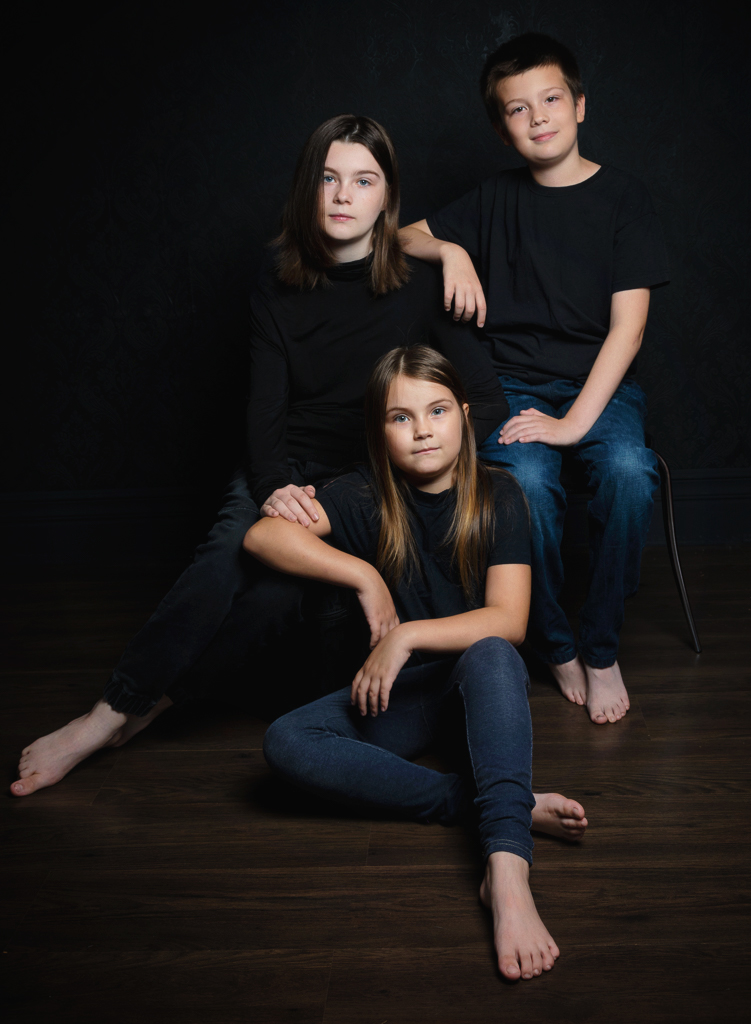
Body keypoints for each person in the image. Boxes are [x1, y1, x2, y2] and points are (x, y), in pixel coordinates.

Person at [11, 115, 507, 797]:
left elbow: (484, 399)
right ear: (308, 189)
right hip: (288, 464)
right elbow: (263, 412)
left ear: (386, 198)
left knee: (275, 598)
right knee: (226, 559)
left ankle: (155, 702)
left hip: (370, 476)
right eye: (328, 179)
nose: (342, 195)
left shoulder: (422, 284)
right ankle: (106, 714)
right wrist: (275, 484)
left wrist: (416, 472)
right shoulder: (275, 287)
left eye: (362, 181)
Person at [244, 346, 588, 981]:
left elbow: (508, 622)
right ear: (379, 433)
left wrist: (404, 637)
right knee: (286, 741)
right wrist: (364, 575)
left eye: (436, 411)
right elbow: (261, 536)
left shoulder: (501, 494)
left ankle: (507, 872)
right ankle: (496, 803)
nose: (423, 429)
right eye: (401, 417)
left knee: (491, 652)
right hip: (404, 698)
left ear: (463, 415)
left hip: (477, 686)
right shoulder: (363, 496)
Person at [400, 33, 669, 725]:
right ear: (501, 127)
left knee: (631, 473)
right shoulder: (495, 198)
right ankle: (554, 642)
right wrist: (452, 249)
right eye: (518, 109)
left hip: (599, 391)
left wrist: (575, 421)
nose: (538, 117)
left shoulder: (624, 199)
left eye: (551, 100)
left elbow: (628, 329)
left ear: (579, 105)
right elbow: (402, 237)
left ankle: (601, 644)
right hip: (512, 386)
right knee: (528, 487)